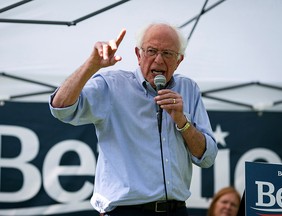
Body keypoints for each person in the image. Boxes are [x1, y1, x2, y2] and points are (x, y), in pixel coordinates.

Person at [49, 22, 218, 216]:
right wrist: (91, 65)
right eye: (152, 51)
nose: (159, 60)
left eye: (168, 53)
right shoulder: (112, 86)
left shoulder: (189, 89)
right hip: (126, 211)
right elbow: (61, 108)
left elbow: (208, 157)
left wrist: (183, 122)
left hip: (176, 210)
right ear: (138, 55)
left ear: (179, 60)